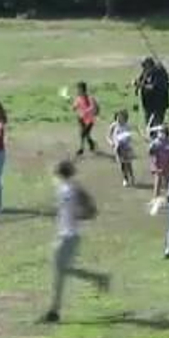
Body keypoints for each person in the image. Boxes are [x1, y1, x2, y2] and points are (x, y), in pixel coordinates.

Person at [39, 159, 111, 323]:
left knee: (60, 272)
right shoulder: (63, 188)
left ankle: (54, 311)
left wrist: (78, 216)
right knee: (62, 270)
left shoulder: (74, 189)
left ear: (60, 173)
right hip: (63, 234)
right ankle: (99, 278)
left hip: (70, 235)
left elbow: (92, 212)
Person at [135, 57, 169, 131]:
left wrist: (142, 85)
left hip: (159, 103)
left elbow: (153, 87)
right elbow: (140, 81)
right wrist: (137, 84)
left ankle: (159, 137)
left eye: (145, 66)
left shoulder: (159, 73)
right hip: (148, 103)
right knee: (149, 122)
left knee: (157, 123)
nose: (144, 68)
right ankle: (151, 137)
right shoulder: (145, 72)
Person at [149, 125, 169, 202]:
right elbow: (151, 153)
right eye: (159, 132)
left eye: (162, 132)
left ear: (166, 133)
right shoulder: (155, 142)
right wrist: (151, 148)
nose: (161, 133)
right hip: (158, 164)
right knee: (158, 180)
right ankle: (155, 197)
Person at [108, 110, 136, 187]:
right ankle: (125, 179)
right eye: (118, 117)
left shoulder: (127, 125)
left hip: (127, 147)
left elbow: (132, 134)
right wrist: (111, 143)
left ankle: (132, 176)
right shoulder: (113, 126)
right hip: (118, 148)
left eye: (121, 117)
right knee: (122, 164)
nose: (119, 119)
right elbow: (108, 136)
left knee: (129, 163)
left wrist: (130, 137)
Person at [73, 83, 100, 156]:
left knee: (84, 134)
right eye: (78, 89)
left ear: (83, 89)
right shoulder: (78, 98)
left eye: (79, 89)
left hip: (90, 120)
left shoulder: (89, 98)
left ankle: (85, 147)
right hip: (81, 119)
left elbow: (93, 107)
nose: (78, 90)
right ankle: (83, 147)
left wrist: (85, 112)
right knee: (83, 134)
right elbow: (75, 106)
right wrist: (74, 107)